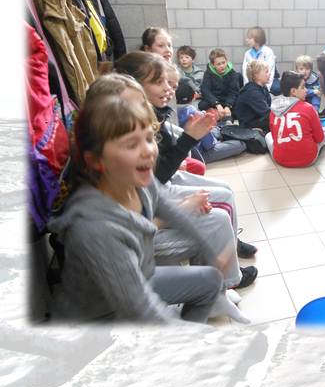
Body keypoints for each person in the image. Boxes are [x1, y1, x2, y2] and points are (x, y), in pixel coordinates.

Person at [46, 79, 225, 322]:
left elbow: (170, 210)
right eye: (131, 143)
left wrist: (210, 249)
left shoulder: (139, 178)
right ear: (96, 160)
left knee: (210, 281)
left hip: (141, 275)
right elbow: (142, 310)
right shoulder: (94, 226)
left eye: (149, 138)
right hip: (98, 319)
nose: (148, 151)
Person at [114, 53, 259, 276]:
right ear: (133, 87)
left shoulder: (149, 115)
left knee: (225, 193)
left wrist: (188, 140)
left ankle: (227, 260)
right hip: (138, 230)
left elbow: (157, 174)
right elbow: (152, 189)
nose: (168, 89)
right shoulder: (126, 130)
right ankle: (227, 278)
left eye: (170, 83)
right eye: (159, 82)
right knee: (218, 220)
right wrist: (189, 139)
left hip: (152, 199)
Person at [141, 28, 244, 163]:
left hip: (221, 105)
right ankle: (224, 129)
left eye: (169, 45)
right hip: (203, 134)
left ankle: (223, 126)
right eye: (161, 45)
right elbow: (206, 91)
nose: (168, 89)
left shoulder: (231, 74)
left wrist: (227, 105)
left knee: (230, 110)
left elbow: (233, 92)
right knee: (239, 143)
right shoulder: (181, 109)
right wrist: (216, 104)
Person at [268, 71, 325, 168]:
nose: (306, 90)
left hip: (280, 159)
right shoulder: (308, 108)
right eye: (303, 87)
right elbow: (320, 138)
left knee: (268, 135)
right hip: (308, 159)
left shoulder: (274, 109)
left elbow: (274, 138)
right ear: (293, 91)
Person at [199, 48, 243, 118]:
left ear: (227, 61)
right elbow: (205, 90)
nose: (222, 66)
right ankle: (218, 114)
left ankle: (226, 116)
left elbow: (234, 92)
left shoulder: (232, 73)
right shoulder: (208, 73)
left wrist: (228, 106)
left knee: (240, 105)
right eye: (218, 64)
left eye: (223, 62)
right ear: (213, 65)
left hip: (227, 99)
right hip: (214, 100)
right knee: (202, 105)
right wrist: (216, 104)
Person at [233, 60, 272, 131]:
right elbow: (267, 113)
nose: (269, 74)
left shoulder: (263, 87)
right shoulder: (252, 92)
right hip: (248, 125)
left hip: (258, 119)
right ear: (256, 75)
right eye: (266, 72)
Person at [241, 26, 279, 95]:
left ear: (257, 39)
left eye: (249, 38)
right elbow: (245, 71)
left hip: (267, 79)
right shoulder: (247, 54)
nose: (246, 40)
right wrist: (248, 87)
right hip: (254, 80)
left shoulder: (268, 52)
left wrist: (265, 89)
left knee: (276, 88)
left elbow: (270, 71)